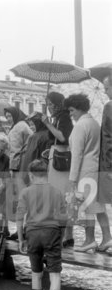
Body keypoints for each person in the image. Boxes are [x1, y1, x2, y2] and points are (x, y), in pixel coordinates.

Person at [16, 159, 66, 290]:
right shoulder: (57, 192)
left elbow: (19, 218)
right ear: (47, 173)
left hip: (32, 233)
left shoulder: (25, 192)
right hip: (52, 233)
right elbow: (63, 220)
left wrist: (20, 239)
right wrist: (61, 239)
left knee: (36, 273)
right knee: (55, 274)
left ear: (31, 175)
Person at [64, 94, 112, 252]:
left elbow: (77, 155)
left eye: (71, 110)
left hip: (85, 171)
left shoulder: (80, 126)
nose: (70, 114)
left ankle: (90, 240)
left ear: (79, 108)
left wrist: (72, 180)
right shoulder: (94, 123)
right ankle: (107, 238)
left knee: (87, 207)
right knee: (99, 207)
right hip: (96, 169)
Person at [42, 92, 74, 248]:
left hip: (60, 163)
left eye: (50, 104)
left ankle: (64, 236)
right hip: (56, 158)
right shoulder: (60, 117)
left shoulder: (64, 117)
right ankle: (66, 236)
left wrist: (47, 124)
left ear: (57, 104)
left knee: (60, 197)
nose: (48, 107)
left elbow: (62, 137)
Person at [97, 74, 112, 251]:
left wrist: (107, 167)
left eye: (106, 88)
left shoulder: (109, 106)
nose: (105, 92)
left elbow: (108, 138)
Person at [20, 112, 51, 186]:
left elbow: (29, 157)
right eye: (29, 125)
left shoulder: (35, 137)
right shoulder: (48, 135)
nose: (30, 127)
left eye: (33, 124)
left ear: (39, 124)